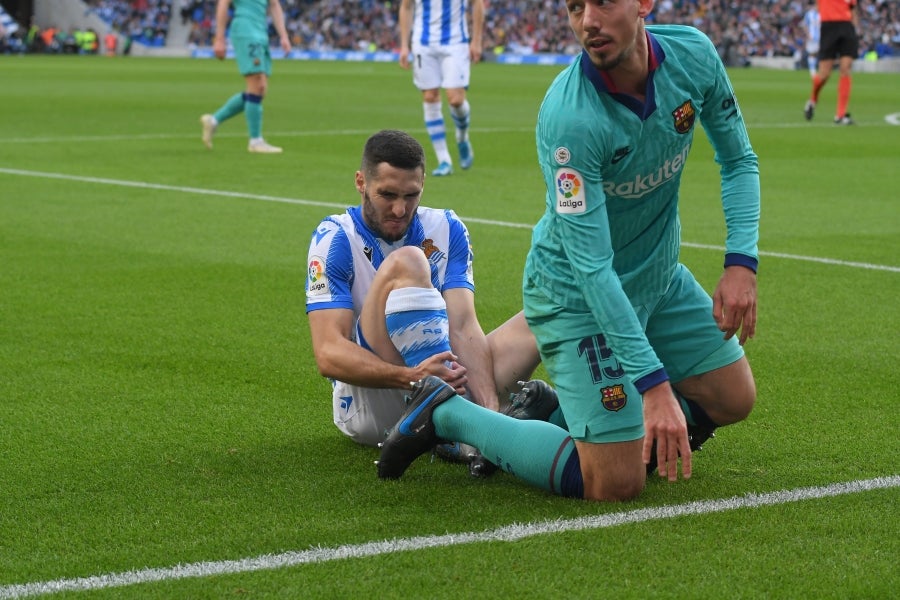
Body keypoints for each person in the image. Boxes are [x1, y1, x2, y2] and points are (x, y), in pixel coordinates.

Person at [377, 0, 760, 503]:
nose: (588, 21)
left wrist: (740, 264)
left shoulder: (693, 55)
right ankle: (446, 411)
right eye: (575, 7)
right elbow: (593, 268)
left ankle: (557, 415)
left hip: (658, 277)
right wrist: (654, 386)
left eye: (602, 3)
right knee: (615, 481)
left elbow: (738, 159)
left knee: (734, 396)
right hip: (578, 299)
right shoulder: (570, 119)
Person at [306, 129, 552, 459]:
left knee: (549, 314)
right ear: (361, 182)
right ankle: (456, 420)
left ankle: (479, 426)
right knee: (409, 261)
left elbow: (464, 327)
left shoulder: (448, 228)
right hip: (375, 401)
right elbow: (328, 353)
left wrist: (490, 411)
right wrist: (413, 378)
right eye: (387, 194)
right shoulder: (334, 237)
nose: (399, 209)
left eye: (411, 195)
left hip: (443, 376)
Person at [398, 0, 484, 177]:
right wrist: (404, 46)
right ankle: (444, 160)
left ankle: (462, 137)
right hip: (423, 43)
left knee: (456, 99)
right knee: (430, 96)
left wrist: (476, 41)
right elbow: (406, 7)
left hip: (456, 43)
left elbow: (477, 4)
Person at [200, 0, 291, 153]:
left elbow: (274, 5)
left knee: (259, 90)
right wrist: (219, 38)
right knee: (257, 85)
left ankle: (213, 120)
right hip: (246, 31)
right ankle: (255, 141)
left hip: (261, 33)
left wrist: (284, 35)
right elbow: (223, 3)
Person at [804, 0, 859, 124]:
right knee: (824, 74)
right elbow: (819, 7)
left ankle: (840, 115)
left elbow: (853, 8)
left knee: (846, 68)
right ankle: (813, 99)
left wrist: (855, 29)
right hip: (829, 27)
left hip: (847, 27)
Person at [802, 0, 821, 77]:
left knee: (820, 54)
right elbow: (805, 25)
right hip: (812, 37)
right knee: (812, 54)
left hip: (821, 37)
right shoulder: (809, 14)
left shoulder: (822, 14)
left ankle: (819, 69)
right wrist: (808, 34)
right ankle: (812, 71)